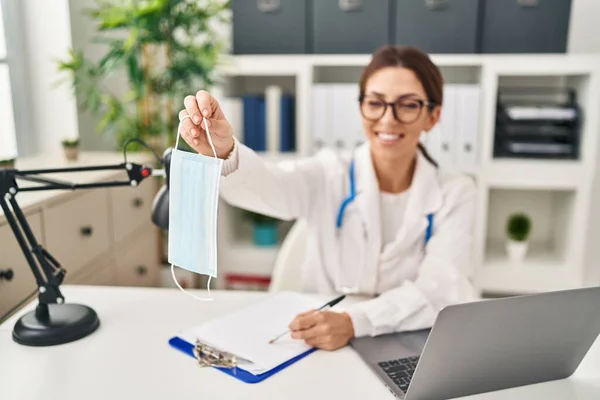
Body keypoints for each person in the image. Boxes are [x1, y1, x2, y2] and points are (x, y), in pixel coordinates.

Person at [177, 45, 478, 351]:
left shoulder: (456, 192)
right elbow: (271, 186)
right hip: (322, 346)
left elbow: (441, 289)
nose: (388, 119)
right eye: (375, 103)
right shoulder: (329, 173)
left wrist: (355, 321)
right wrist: (226, 150)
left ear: (433, 116)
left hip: (410, 344)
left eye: (408, 105)